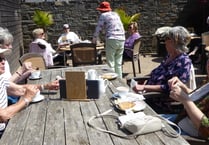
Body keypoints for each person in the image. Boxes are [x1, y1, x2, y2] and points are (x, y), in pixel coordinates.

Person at [0, 48, 59, 137]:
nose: (3, 62)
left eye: (3, 59)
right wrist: (26, 99)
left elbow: (21, 89)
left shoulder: (1, 79)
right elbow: (3, 116)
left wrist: (46, 86)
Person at [133, 26, 192, 94]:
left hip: (157, 98)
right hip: (147, 92)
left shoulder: (184, 61)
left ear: (175, 41)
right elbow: (157, 71)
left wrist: (144, 87)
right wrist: (144, 78)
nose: (165, 42)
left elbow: (172, 87)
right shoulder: (169, 56)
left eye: (166, 38)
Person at [92, 1, 125, 78]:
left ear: (102, 10)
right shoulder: (116, 14)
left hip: (112, 38)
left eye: (100, 10)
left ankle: (113, 82)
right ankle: (119, 80)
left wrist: (94, 39)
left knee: (111, 63)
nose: (99, 11)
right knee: (118, 63)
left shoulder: (103, 15)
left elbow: (98, 28)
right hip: (122, 39)